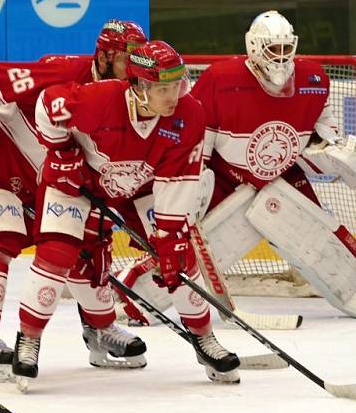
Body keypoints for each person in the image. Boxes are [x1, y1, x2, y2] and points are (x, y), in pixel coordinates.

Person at [12, 40, 241, 391]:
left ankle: (204, 338)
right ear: (139, 85)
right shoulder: (98, 99)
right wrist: (61, 150)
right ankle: (29, 339)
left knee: (179, 255)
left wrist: (168, 235)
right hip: (81, 181)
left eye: (177, 85)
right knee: (57, 254)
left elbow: (177, 179)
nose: (173, 96)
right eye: (163, 88)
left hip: (141, 187)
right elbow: (47, 105)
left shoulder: (189, 114)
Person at [0, 20, 149, 382]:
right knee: (0, 242)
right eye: (127, 61)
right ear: (104, 57)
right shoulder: (65, 71)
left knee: (88, 243)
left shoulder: (131, 97)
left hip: (53, 181)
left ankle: (100, 330)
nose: (135, 71)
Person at [188, 10, 356, 319]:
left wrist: (339, 155)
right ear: (255, 47)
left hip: (283, 175)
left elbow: (323, 136)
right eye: (274, 49)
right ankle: (138, 294)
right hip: (226, 177)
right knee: (185, 247)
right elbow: (197, 140)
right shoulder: (220, 80)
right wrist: (192, 182)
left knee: (322, 241)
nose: (282, 56)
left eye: (287, 48)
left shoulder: (313, 79)